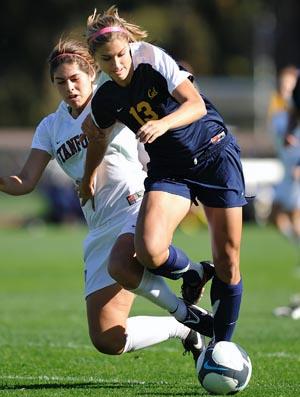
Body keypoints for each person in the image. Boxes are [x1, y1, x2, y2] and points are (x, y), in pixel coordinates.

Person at [0, 38, 213, 360]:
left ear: (91, 75)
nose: (69, 87)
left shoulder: (110, 99)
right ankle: (182, 328)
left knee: (124, 264)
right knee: (107, 339)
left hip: (135, 203)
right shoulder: (50, 126)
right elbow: (25, 182)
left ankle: (187, 310)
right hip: (99, 226)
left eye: (76, 79)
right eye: (61, 82)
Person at [80, 6, 246, 344]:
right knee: (150, 251)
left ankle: (222, 345)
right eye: (108, 60)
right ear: (97, 62)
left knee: (228, 258)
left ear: (130, 45)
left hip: (214, 155)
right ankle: (194, 273)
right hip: (171, 170)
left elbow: (196, 105)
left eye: (121, 55)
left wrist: (163, 123)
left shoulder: (153, 59)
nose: (118, 64)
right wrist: (88, 176)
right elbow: (97, 135)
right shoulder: (106, 97)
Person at [273, 69, 300, 320]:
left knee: (294, 219)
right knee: (277, 217)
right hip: (287, 173)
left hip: (297, 173)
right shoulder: (282, 115)